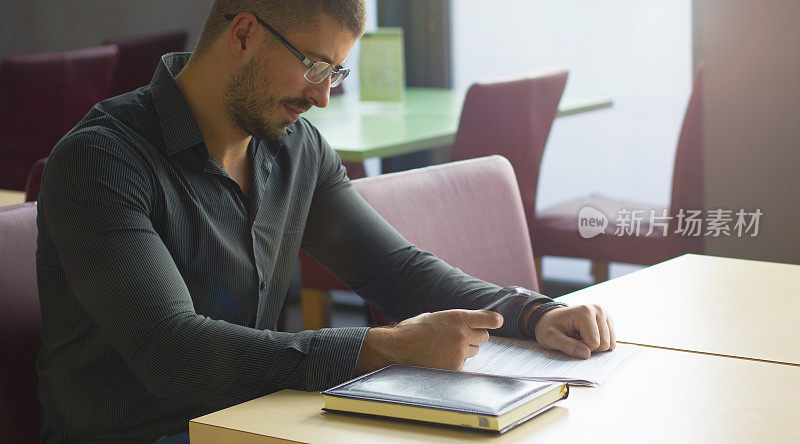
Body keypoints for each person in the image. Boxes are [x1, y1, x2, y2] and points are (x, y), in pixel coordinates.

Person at [36, 1, 615, 442]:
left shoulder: (294, 151)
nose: (322, 97)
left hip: (256, 425)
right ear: (243, 33)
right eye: (314, 66)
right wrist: (381, 349)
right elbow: (172, 352)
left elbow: (395, 269)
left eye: (335, 72)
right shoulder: (103, 160)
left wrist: (534, 312)